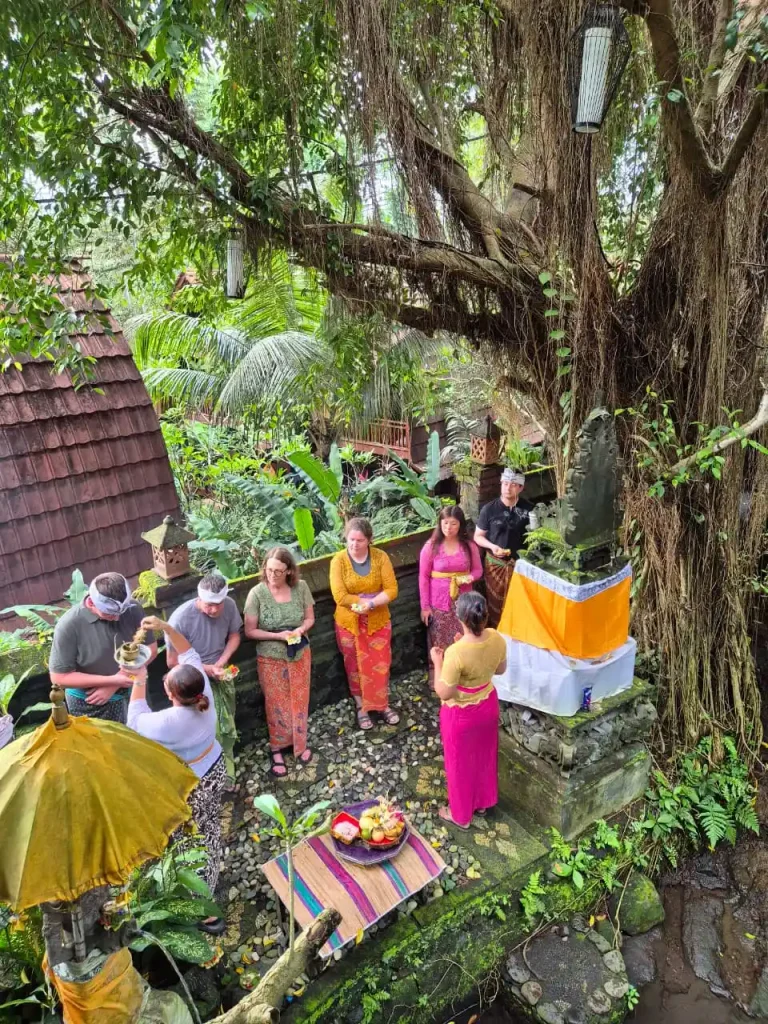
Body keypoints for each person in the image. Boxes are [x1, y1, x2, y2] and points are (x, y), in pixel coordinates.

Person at [128, 615, 226, 935]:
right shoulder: (204, 689)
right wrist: (167, 629)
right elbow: (191, 655)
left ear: (171, 694)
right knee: (209, 831)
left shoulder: (169, 722)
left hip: (191, 786)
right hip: (215, 768)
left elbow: (135, 720)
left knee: (188, 846)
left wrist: (139, 678)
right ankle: (209, 877)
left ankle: (205, 911)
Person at [430, 592, 506, 829]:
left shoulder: (455, 653)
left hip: (461, 714)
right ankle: (482, 803)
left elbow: (444, 692)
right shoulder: (496, 637)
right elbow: (501, 669)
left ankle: (461, 815)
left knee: (460, 763)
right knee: (484, 756)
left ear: (460, 617)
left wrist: (438, 662)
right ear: (484, 616)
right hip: (487, 705)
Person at [243, 547, 315, 778]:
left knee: (299, 699)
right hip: (270, 657)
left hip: (300, 653)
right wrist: (278, 636)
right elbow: (250, 631)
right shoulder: (256, 593)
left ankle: (299, 742)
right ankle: (277, 747)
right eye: (269, 569)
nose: (273, 575)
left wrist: (301, 629)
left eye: (278, 571)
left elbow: (310, 618)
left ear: (288, 571)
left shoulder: (300, 587)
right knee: (276, 704)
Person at [49, 572, 157, 723]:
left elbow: (150, 649)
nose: (118, 618)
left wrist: (117, 681)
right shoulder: (69, 626)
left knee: (142, 737)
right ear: (92, 603)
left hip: (133, 688)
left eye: (122, 612)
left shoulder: (132, 609)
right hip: (91, 700)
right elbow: (59, 678)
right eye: (110, 613)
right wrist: (112, 681)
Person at [166, 574, 242, 780]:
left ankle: (228, 773)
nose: (215, 609)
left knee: (227, 724)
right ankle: (210, 778)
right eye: (210, 604)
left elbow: (235, 635)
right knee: (207, 731)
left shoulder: (230, 606)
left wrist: (220, 662)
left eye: (219, 604)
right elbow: (172, 662)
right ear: (199, 598)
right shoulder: (180, 619)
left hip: (221, 672)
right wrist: (208, 669)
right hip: (192, 680)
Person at [330, 517, 399, 731]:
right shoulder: (338, 561)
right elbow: (339, 595)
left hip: (377, 620)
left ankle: (381, 704)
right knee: (354, 665)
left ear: (369, 540)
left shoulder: (381, 558)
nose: (354, 544)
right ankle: (361, 706)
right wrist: (360, 603)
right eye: (351, 539)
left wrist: (371, 603)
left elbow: (392, 589)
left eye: (360, 540)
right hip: (349, 623)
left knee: (380, 662)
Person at [419, 506, 483, 676]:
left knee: (464, 637)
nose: (448, 528)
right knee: (439, 639)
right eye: (445, 523)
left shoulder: (469, 546)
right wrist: (425, 607)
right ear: (439, 524)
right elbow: (423, 577)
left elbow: (478, 571)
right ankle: (441, 677)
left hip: (464, 602)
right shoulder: (431, 546)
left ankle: (465, 675)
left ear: (460, 525)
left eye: (453, 524)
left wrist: (469, 578)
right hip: (439, 602)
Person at [473, 469, 532, 627]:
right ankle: (496, 631)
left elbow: (536, 536)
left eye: (513, 485)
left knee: (519, 603)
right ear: (501, 484)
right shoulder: (489, 509)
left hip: (520, 565)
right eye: (505, 484)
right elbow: (478, 536)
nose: (508, 488)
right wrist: (492, 547)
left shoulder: (528, 509)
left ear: (520, 487)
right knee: (495, 603)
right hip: (495, 565)